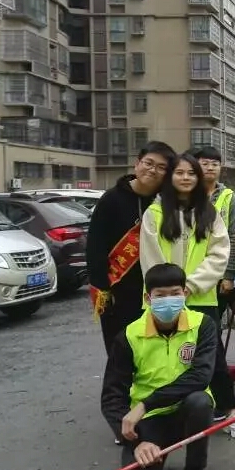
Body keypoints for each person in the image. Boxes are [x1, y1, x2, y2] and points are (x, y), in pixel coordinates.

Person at [139, 153, 235, 435]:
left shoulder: (209, 213)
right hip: (164, 301)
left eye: (191, 173)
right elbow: (150, 257)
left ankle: (229, 410)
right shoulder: (154, 213)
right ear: (170, 177)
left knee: (212, 357)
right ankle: (164, 414)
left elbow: (219, 253)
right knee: (164, 358)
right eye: (179, 172)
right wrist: (170, 290)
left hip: (201, 298)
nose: (186, 178)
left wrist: (191, 286)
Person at [101, 263, 217, 470]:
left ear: (185, 293)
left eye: (175, 293)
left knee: (200, 401)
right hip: (150, 419)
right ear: (148, 298)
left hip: (185, 410)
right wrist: (136, 441)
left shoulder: (203, 325)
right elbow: (112, 396)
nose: (168, 301)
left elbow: (200, 377)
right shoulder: (129, 336)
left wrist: (145, 404)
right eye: (160, 295)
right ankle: (154, 449)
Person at [88, 142, 177, 357]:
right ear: (137, 164)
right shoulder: (111, 199)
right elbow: (95, 247)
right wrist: (103, 289)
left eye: (161, 167)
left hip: (157, 292)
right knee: (121, 351)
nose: (153, 170)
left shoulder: (167, 202)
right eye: (148, 163)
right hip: (119, 291)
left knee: (156, 352)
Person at [190, 146, 235, 429]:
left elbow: (233, 238)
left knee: (211, 335)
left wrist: (229, 274)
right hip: (187, 281)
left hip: (217, 278)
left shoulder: (227, 197)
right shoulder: (184, 197)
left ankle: (223, 401)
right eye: (204, 163)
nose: (210, 168)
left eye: (214, 163)